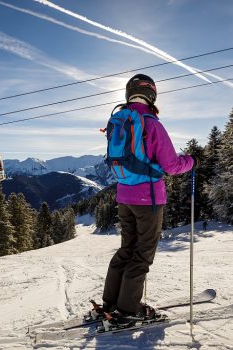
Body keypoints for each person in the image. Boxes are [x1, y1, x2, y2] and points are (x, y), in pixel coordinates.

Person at [98, 74, 195, 326]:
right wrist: (192, 161)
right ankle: (128, 309)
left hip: (123, 196)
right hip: (148, 198)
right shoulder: (151, 123)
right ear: (151, 95)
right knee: (142, 254)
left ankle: (110, 303)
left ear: (129, 94)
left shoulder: (119, 120)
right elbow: (172, 165)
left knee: (126, 249)